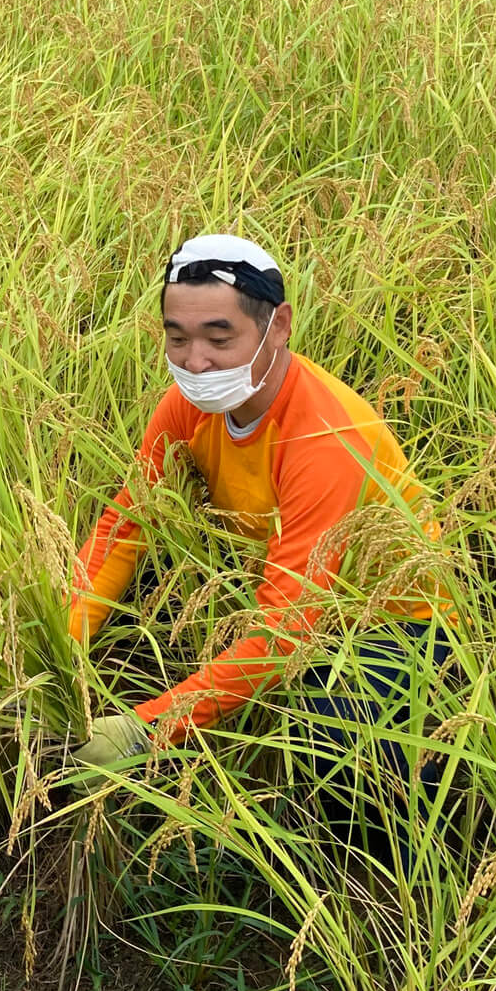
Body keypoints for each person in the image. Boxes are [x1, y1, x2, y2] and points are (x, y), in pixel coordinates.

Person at [66, 234, 448, 793]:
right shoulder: (187, 407)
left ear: (280, 326)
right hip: (288, 589)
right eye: (177, 338)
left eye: (219, 337)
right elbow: (125, 529)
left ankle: (374, 861)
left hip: (397, 627)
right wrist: (52, 656)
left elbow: (284, 631)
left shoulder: (326, 436)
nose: (195, 362)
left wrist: (145, 730)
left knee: (334, 742)